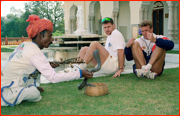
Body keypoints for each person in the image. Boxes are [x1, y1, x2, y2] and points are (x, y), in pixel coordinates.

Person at [1, 15, 93, 107]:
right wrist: (80, 73)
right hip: (5, 92)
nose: (52, 39)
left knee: (34, 84)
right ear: (41, 35)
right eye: (50, 36)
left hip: (6, 83)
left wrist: (47, 65)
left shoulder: (25, 45)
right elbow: (54, 77)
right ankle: (28, 90)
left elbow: (25, 66)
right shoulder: (35, 52)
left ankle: (28, 88)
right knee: (35, 94)